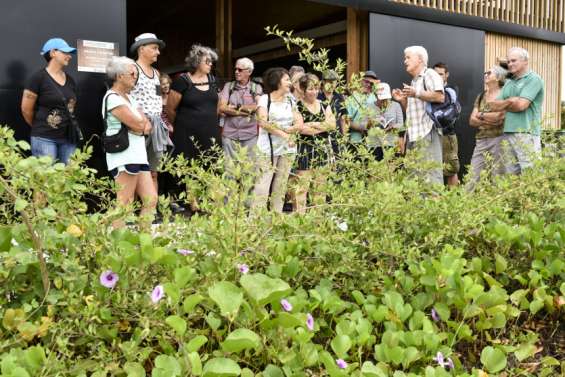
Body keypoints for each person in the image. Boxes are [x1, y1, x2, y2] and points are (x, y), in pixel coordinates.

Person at [102, 56, 157, 229]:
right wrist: (139, 125)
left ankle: (144, 243)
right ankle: (118, 246)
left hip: (139, 155)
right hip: (124, 155)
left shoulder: (130, 99)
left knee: (151, 199)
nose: (136, 76)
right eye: (132, 72)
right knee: (125, 202)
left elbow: (146, 125)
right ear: (119, 76)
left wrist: (139, 125)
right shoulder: (112, 97)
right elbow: (139, 124)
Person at [166, 45, 220, 205]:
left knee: (212, 164)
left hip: (210, 130)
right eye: (207, 61)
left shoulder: (213, 80)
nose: (210, 64)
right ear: (197, 62)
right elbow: (170, 109)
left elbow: (216, 106)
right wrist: (182, 125)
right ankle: (193, 203)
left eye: (211, 61)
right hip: (187, 132)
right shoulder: (182, 81)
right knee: (190, 166)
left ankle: (211, 201)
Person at [251, 67, 303, 213]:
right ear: (277, 82)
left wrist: (295, 128)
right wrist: (285, 134)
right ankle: (255, 223)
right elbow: (263, 122)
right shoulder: (264, 99)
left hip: (288, 149)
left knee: (280, 186)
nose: (290, 83)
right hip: (267, 149)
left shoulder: (290, 100)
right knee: (262, 186)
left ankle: (276, 219)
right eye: (286, 79)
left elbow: (299, 119)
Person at [392, 46, 445, 185]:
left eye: (408, 57)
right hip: (413, 136)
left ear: (420, 59)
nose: (405, 61)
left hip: (427, 133)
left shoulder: (430, 74)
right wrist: (402, 100)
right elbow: (410, 111)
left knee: (431, 180)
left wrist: (416, 93)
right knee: (414, 180)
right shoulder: (414, 81)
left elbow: (440, 97)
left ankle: (434, 207)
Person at [21, 38, 78, 164]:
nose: (69, 56)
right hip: (44, 138)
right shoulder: (38, 78)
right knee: (47, 181)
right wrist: (40, 126)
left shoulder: (71, 80)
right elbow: (26, 110)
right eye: (65, 52)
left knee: (68, 180)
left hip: (68, 139)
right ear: (53, 53)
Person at [487, 47, 544, 175]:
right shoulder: (509, 82)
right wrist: (510, 101)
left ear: (525, 61)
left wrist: (504, 104)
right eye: (508, 61)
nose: (510, 64)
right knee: (510, 175)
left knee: (531, 174)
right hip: (508, 132)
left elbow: (521, 106)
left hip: (526, 132)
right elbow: (492, 106)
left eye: (514, 61)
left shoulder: (533, 79)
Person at [129, 33, 171, 192]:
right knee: (135, 171)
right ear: (141, 49)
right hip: (138, 126)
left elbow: (158, 98)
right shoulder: (132, 69)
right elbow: (124, 97)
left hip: (156, 126)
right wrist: (140, 119)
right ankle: (132, 211)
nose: (158, 52)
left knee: (154, 171)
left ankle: (151, 212)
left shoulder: (157, 73)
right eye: (154, 48)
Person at [293, 73, 336, 213]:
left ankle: (317, 221)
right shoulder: (297, 106)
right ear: (303, 90)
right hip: (305, 149)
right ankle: (300, 219)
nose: (315, 92)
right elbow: (302, 129)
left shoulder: (324, 104)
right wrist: (322, 125)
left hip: (323, 150)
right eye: (311, 89)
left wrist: (313, 124)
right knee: (301, 189)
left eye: (317, 88)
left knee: (320, 189)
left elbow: (332, 125)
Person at [219, 57, 262, 177]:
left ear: (249, 71)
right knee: (229, 171)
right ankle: (231, 196)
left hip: (250, 136)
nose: (236, 71)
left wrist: (236, 107)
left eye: (240, 69)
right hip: (229, 135)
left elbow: (257, 107)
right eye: (235, 69)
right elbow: (222, 107)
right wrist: (244, 112)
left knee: (249, 171)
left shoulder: (256, 88)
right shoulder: (229, 86)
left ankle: (247, 196)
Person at [466, 65, 508, 191]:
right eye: (485, 73)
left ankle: (499, 207)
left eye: (489, 73)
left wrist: (481, 115)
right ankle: (465, 206)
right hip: (481, 140)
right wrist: (489, 118)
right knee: (472, 176)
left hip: (499, 140)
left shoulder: (505, 94)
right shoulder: (481, 96)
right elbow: (472, 120)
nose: (485, 75)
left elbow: (500, 117)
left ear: (498, 77)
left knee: (498, 177)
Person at [433, 62, 460, 186]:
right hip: (431, 135)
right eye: (435, 74)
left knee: (451, 169)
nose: (438, 77)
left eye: (441, 74)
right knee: (433, 168)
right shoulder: (429, 91)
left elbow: (451, 115)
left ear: (446, 75)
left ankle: (453, 202)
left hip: (447, 135)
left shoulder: (450, 91)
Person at [344, 71, 380, 154]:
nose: (369, 85)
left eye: (371, 83)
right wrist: (361, 127)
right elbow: (346, 121)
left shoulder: (375, 98)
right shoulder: (352, 98)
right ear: (361, 81)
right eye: (367, 82)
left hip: (372, 142)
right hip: (356, 141)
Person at [368, 82, 404, 161]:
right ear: (375, 96)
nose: (384, 101)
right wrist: (370, 123)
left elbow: (401, 124)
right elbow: (363, 126)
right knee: (376, 170)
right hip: (375, 144)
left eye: (386, 99)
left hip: (391, 143)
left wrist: (393, 126)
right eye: (381, 99)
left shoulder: (396, 105)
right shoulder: (369, 106)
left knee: (392, 170)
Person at [318, 70, 346, 156]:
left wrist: (344, 136)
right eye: (329, 82)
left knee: (339, 163)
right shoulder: (318, 97)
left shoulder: (339, 97)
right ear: (323, 82)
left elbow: (343, 118)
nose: (332, 84)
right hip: (322, 136)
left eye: (334, 82)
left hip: (337, 136)